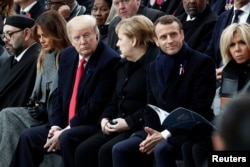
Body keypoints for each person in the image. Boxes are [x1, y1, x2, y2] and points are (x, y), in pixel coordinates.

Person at [10, 14, 120, 167]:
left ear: (97, 33)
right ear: (70, 39)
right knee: (29, 136)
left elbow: (96, 105)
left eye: (87, 35)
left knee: (67, 138)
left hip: (90, 124)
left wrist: (65, 130)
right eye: (77, 38)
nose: (83, 42)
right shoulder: (67, 55)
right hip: (63, 124)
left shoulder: (109, 60)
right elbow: (58, 94)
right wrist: (55, 125)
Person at [112, 15, 216, 167]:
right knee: (120, 149)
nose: (170, 40)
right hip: (158, 129)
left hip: (190, 130)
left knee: (161, 149)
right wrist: (151, 133)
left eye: (173, 34)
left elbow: (199, 108)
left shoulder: (202, 62)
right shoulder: (153, 67)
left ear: (182, 34)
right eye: (163, 37)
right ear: (156, 41)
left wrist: (165, 134)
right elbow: (150, 104)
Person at [75, 15, 158, 167]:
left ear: (133, 41)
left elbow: (155, 104)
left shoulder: (155, 65)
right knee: (84, 150)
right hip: (118, 123)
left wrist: (129, 122)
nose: (117, 44)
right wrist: (105, 118)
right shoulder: (123, 64)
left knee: (107, 151)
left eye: (120, 39)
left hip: (141, 125)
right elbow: (114, 98)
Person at [0, 10, 71, 167]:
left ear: (56, 33)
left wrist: (47, 110)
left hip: (57, 118)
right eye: (39, 36)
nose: (41, 41)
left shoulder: (66, 56)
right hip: (40, 113)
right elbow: (37, 94)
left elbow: (61, 95)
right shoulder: (44, 56)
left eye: (45, 36)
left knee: (7, 116)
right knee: (7, 115)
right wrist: (36, 104)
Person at [0, 15, 39, 110]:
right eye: (4, 35)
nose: (5, 39)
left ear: (26, 33)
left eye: (10, 34)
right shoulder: (9, 61)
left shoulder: (36, 59)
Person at [219, 23, 250, 107]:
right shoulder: (229, 70)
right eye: (232, 45)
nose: (237, 49)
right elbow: (226, 109)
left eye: (242, 43)